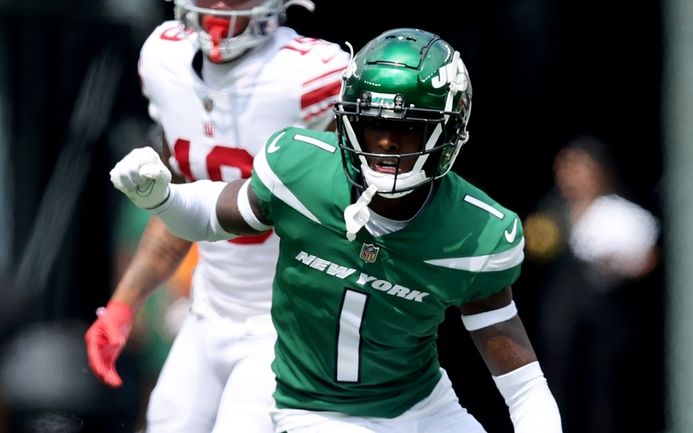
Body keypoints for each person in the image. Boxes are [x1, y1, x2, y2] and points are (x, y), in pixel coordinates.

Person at [108, 28, 562, 433]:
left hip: (424, 408)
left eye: (406, 128)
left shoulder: (472, 232)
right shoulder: (300, 169)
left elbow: (521, 382)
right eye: (372, 124)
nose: (385, 141)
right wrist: (162, 198)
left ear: (447, 132)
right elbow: (211, 215)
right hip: (315, 411)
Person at [84, 1, 350, 432]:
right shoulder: (163, 60)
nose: (221, 5)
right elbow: (181, 211)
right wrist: (121, 305)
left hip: (286, 324)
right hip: (207, 310)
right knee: (165, 421)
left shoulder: (315, 75)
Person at [522, 136, 660, 433]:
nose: (569, 175)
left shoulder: (623, 215)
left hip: (608, 325)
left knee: (606, 395)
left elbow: (647, 260)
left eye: (578, 167)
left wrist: (617, 263)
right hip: (561, 328)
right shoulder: (551, 211)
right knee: (560, 391)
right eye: (564, 167)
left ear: (598, 171)